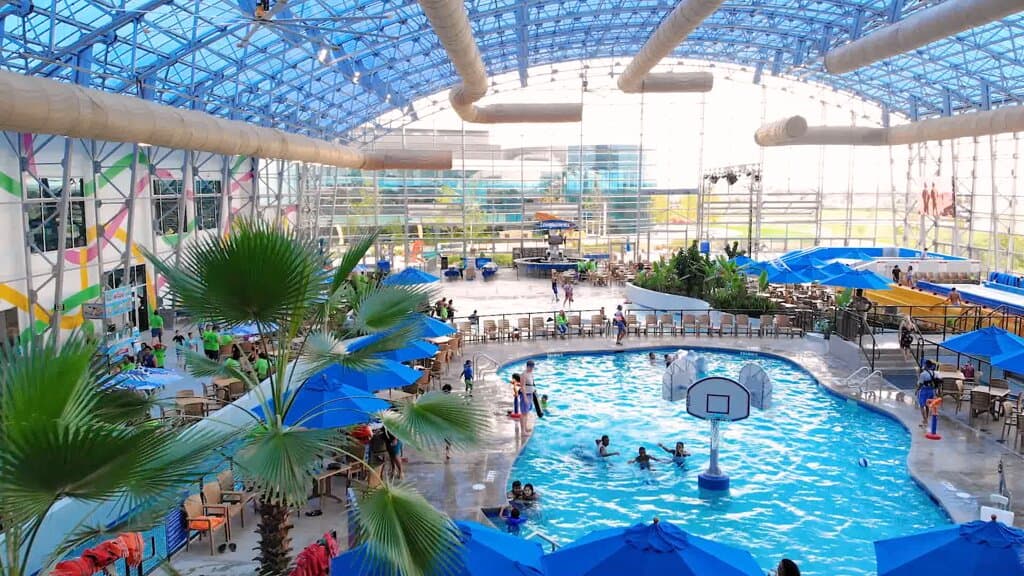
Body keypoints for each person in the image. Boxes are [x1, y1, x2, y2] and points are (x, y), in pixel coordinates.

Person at [916, 360, 939, 428]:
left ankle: (925, 420)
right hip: (931, 390)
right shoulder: (935, 373)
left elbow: (920, 384)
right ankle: (926, 420)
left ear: (926, 365)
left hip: (924, 391)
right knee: (927, 405)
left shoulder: (923, 374)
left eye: (924, 365)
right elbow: (937, 382)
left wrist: (917, 390)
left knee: (921, 405)